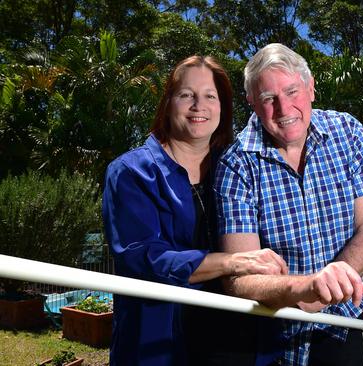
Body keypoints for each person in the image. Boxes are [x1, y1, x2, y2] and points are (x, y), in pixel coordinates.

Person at [102, 55, 288, 366]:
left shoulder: (238, 168)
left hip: (240, 347)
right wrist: (231, 261)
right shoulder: (131, 172)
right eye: (186, 95)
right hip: (162, 347)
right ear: (168, 103)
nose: (198, 106)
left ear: (222, 107)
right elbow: (144, 258)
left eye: (209, 96)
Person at [214, 43, 363, 366]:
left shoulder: (347, 133)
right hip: (271, 338)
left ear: (311, 87)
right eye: (268, 98)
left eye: (293, 91)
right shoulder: (236, 163)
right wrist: (306, 289)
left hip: (343, 325)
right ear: (252, 102)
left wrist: (330, 286)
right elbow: (238, 279)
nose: (284, 108)